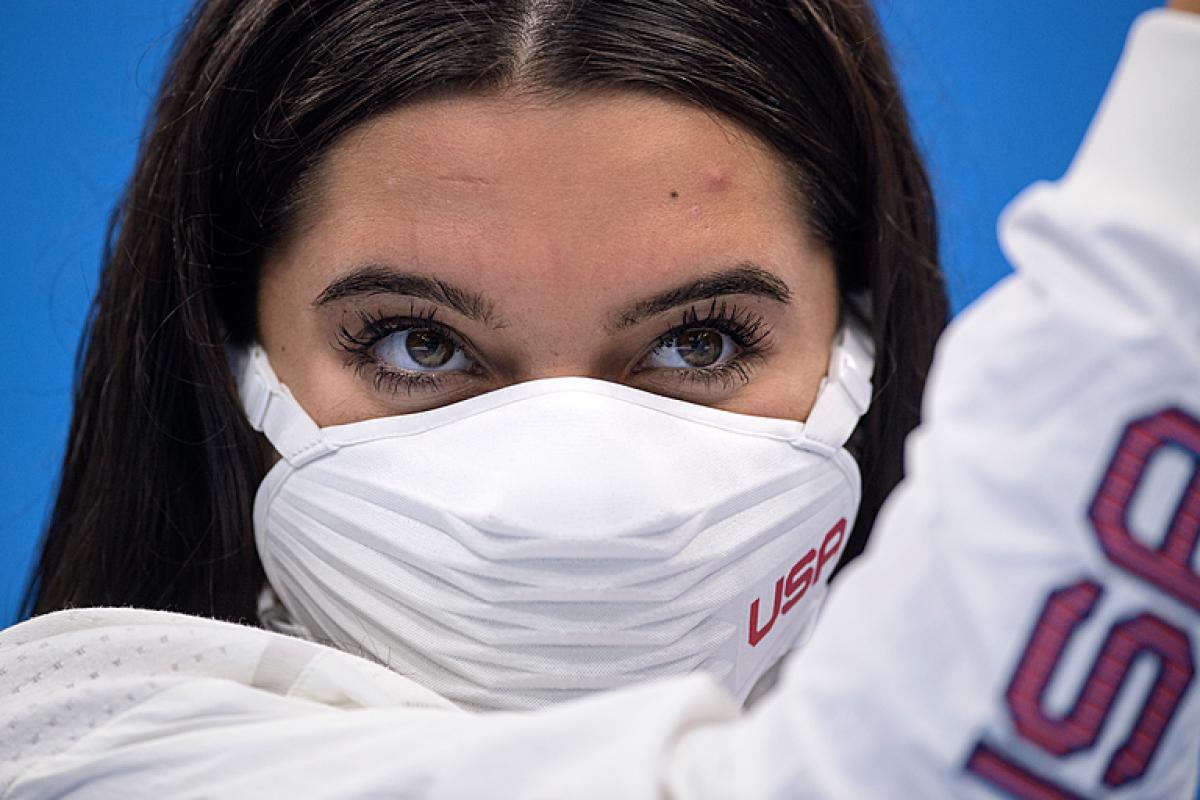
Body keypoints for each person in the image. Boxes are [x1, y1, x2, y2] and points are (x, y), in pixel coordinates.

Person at [2, 1, 1197, 798]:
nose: (564, 479)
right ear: (236, 363)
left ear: (862, 347)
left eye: (701, 338)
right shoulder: (73, 741)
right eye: (421, 343)